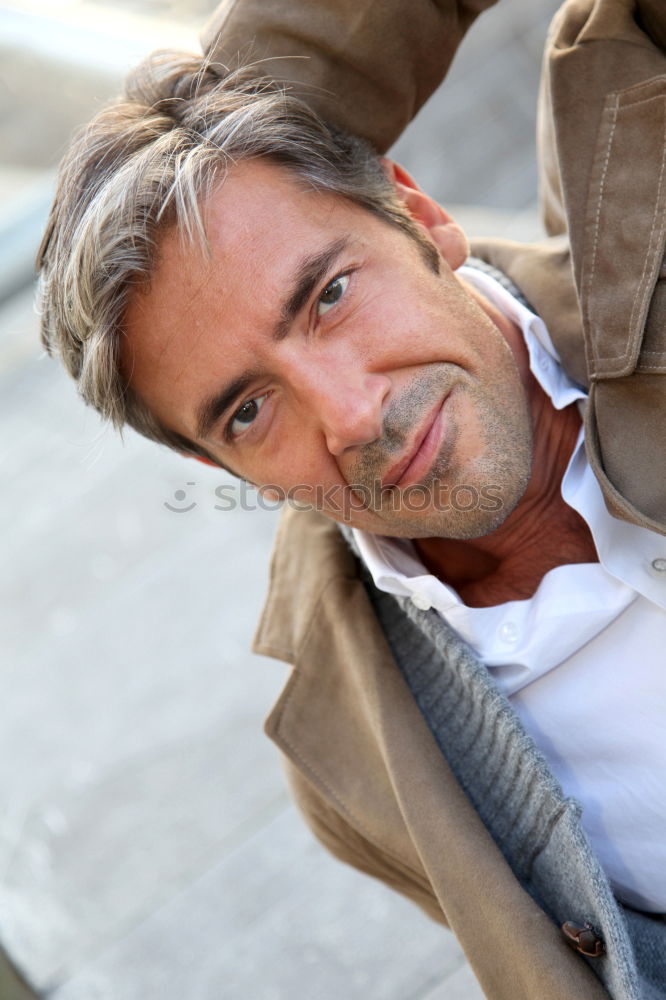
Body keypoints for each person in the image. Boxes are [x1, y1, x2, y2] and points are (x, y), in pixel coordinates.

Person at [37, 1, 666, 997]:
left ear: (419, 216)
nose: (352, 413)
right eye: (248, 411)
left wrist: (217, 107)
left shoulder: (649, 178)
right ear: (222, 471)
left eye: (329, 293)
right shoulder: (364, 761)